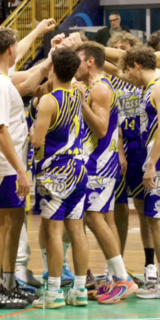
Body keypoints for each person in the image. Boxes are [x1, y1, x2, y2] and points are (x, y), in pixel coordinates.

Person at [0, 26, 41, 309]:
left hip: (8, 162)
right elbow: (0, 130)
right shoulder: (0, 85)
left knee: (15, 222)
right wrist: (20, 170)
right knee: (1, 223)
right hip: (5, 164)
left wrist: (38, 33)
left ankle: (9, 282)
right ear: (10, 51)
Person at [73, 42, 137, 304]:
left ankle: (123, 279)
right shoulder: (96, 85)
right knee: (102, 218)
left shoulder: (99, 87)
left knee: (93, 217)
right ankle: (114, 276)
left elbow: (100, 129)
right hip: (100, 159)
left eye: (76, 59)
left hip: (99, 162)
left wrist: (81, 102)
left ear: (89, 61)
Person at [30, 47, 89, 309]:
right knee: (76, 230)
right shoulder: (78, 94)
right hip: (78, 168)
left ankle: (53, 292)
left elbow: (37, 139)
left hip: (55, 171)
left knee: (53, 231)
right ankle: (79, 290)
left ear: (52, 69)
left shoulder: (48, 101)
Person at [101, 36, 156, 285]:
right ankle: (116, 264)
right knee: (123, 208)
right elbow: (110, 64)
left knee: (149, 211)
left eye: (123, 52)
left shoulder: (150, 81)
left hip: (146, 148)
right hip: (126, 146)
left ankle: (150, 265)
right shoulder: (118, 79)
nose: (117, 56)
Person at [119, 46, 160, 299]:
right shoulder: (150, 88)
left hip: (157, 162)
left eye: (127, 70)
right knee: (153, 220)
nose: (126, 77)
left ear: (136, 65)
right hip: (152, 158)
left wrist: (152, 164)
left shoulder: (156, 87)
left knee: (156, 222)